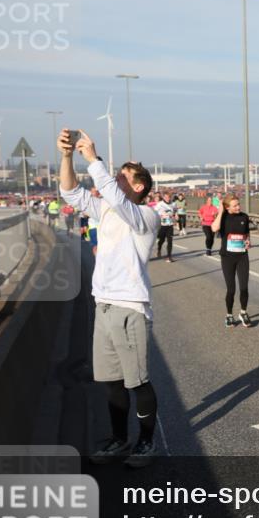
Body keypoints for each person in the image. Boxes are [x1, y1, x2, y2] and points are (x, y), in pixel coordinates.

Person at [57, 128, 161, 468]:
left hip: (129, 306)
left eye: (122, 176)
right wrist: (67, 156)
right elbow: (70, 193)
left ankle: (147, 442)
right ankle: (120, 440)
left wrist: (95, 160)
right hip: (102, 304)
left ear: (139, 186)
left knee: (138, 381)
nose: (114, 179)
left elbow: (115, 198)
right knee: (112, 383)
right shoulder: (107, 209)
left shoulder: (146, 216)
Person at [211, 193, 252, 327]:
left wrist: (248, 242)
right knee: (231, 290)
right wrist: (221, 211)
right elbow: (214, 228)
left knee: (244, 288)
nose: (238, 207)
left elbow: (246, 235)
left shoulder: (244, 217)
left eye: (238, 204)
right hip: (227, 258)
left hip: (242, 256)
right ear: (228, 207)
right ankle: (229, 314)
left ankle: (243, 312)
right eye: (235, 206)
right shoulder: (223, 217)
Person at [155, 192, 177, 262]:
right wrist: (160, 215)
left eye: (169, 197)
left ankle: (169, 257)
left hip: (170, 225)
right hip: (162, 225)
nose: (167, 198)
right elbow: (154, 212)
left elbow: (175, 210)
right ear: (164, 197)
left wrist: (176, 215)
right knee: (162, 240)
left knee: (170, 241)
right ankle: (159, 249)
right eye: (166, 197)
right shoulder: (160, 204)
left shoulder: (173, 204)